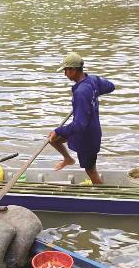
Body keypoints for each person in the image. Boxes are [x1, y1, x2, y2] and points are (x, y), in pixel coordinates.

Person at [48, 52, 115, 185]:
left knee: (91, 171)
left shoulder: (81, 93)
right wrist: (93, 95)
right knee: (52, 139)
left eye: (66, 71)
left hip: (86, 137)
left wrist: (59, 130)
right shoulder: (93, 80)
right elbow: (110, 86)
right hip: (90, 130)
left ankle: (103, 196)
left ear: (73, 70)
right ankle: (68, 159)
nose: (65, 74)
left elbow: (79, 124)